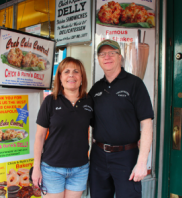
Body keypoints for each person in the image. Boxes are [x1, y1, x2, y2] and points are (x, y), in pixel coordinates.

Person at [89, 39, 154, 198]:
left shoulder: (135, 84)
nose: (107, 57)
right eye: (103, 54)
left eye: (112, 53)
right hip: (98, 156)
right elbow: (84, 122)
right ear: (98, 60)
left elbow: (147, 125)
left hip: (127, 157)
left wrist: (141, 162)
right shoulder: (95, 89)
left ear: (120, 57)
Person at [32, 57, 93, 198]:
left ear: (82, 77)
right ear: (60, 77)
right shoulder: (50, 101)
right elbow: (39, 137)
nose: (71, 75)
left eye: (76, 71)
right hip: (52, 169)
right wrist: (36, 167)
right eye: (66, 71)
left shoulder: (89, 101)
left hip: (80, 169)